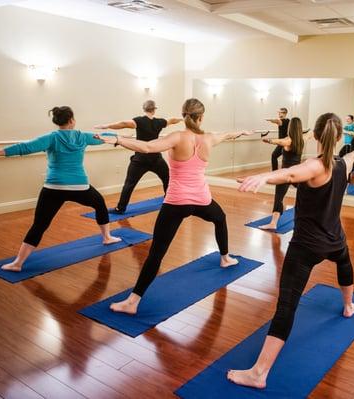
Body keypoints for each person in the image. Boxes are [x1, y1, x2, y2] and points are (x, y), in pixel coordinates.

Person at [228, 112, 354, 389]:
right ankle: (349, 306)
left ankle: (259, 373)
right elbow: (347, 159)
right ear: (339, 137)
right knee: (344, 263)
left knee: (286, 306)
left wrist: (265, 176)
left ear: (314, 135)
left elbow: (290, 173)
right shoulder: (341, 165)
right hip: (335, 239)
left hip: (306, 247)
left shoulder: (315, 165)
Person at [94, 98, 252, 315]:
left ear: (184, 115)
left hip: (176, 202)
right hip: (201, 200)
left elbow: (147, 147)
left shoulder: (177, 137)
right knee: (220, 218)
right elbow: (226, 135)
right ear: (201, 117)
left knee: (156, 254)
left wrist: (116, 139)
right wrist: (240, 133)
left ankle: (133, 302)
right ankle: (225, 258)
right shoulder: (209, 138)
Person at [0, 106, 121, 271]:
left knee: (39, 225)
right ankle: (107, 237)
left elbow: (24, 147)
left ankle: (17, 263)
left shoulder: (51, 138)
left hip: (53, 188)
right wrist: (122, 137)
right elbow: (105, 138)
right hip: (79, 186)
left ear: (57, 122)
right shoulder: (83, 136)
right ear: (72, 120)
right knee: (100, 204)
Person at [94, 100, 182, 214]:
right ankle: (169, 201)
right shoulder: (159, 122)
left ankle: (120, 209)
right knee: (168, 179)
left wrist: (105, 126)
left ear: (144, 109)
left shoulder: (139, 121)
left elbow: (123, 124)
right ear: (154, 109)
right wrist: (182, 119)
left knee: (129, 184)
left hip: (140, 159)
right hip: (156, 158)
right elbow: (172, 120)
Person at [258, 117, 311, 230]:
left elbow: (279, 141)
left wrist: (267, 140)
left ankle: (273, 223)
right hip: (298, 173)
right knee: (306, 194)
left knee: (278, 198)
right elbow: (311, 134)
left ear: (290, 127)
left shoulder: (288, 140)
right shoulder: (302, 139)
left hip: (286, 175)